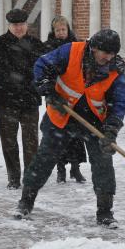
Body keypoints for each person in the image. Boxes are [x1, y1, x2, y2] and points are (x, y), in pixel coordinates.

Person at [15, 29, 125, 228]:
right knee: (44, 159)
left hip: (95, 121)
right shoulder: (70, 51)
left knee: (103, 163)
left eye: (112, 54)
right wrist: (48, 90)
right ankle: (26, 202)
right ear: (93, 48)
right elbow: (42, 65)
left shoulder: (115, 70)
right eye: (104, 53)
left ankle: (105, 212)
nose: (108, 57)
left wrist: (111, 130)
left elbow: (119, 103)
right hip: (61, 115)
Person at [0, 9, 45, 189]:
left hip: (30, 99)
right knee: (9, 142)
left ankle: (31, 176)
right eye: (15, 25)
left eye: (22, 24)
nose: (19, 28)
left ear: (26, 25)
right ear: (9, 25)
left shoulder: (37, 45)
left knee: (31, 141)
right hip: (6, 100)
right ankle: (13, 177)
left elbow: (47, 70)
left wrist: (47, 89)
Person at [44, 16, 87, 183]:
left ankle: (75, 169)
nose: (61, 33)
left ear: (68, 29)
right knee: (58, 132)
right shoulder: (48, 48)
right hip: (56, 95)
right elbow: (45, 70)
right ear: (53, 32)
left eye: (63, 29)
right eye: (58, 30)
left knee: (76, 134)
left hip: (75, 95)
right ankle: (60, 169)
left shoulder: (76, 46)